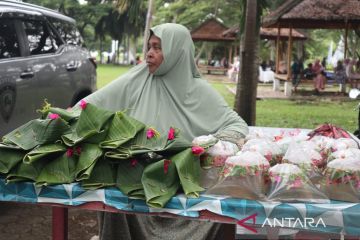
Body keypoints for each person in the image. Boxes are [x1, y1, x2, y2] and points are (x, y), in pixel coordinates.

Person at [82, 23, 249, 240]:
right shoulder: (138, 79)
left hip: (184, 187)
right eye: (149, 47)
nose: (149, 54)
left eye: (158, 48)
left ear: (176, 51)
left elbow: (236, 127)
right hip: (135, 184)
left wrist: (204, 147)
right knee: (114, 200)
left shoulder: (199, 91)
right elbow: (93, 105)